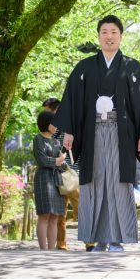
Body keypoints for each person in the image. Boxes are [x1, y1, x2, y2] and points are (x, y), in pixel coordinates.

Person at [52, 15, 140, 252]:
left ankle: (117, 238)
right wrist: (69, 132)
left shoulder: (133, 67)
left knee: (119, 183)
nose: (109, 36)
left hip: (122, 134)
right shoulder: (84, 68)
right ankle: (97, 239)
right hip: (92, 133)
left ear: (121, 36)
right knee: (94, 182)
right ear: (98, 36)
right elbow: (72, 100)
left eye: (114, 32)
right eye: (104, 32)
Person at [42, 97, 95, 251]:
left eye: (47, 111)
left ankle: (89, 242)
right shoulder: (50, 128)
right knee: (59, 212)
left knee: (80, 208)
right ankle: (61, 244)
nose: (45, 115)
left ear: (55, 110)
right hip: (57, 174)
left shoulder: (67, 124)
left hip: (72, 173)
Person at [33, 110, 66, 250]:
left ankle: (51, 250)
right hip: (43, 179)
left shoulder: (57, 142)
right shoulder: (38, 139)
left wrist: (62, 162)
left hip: (56, 180)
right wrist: (58, 160)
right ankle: (43, 250)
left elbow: (61, 164)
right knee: (44, 215)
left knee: (55, 216)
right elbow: (42, 160)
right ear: (46, 123)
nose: (56, 126)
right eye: (54, 123)